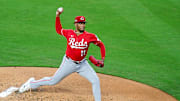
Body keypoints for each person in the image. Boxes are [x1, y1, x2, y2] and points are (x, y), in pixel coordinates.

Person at [18, 7, 106, 101]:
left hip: (82, 64)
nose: (83, 25)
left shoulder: (90, 36)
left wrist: (102, 58)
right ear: (76, 24)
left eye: (84, 23)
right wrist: (57, 16)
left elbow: (101, 45)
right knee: (53, 81)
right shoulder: (69, 33)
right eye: (80, 23)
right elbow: (58, 29)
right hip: (69, 63)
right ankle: (31, 84)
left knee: (95, 80)